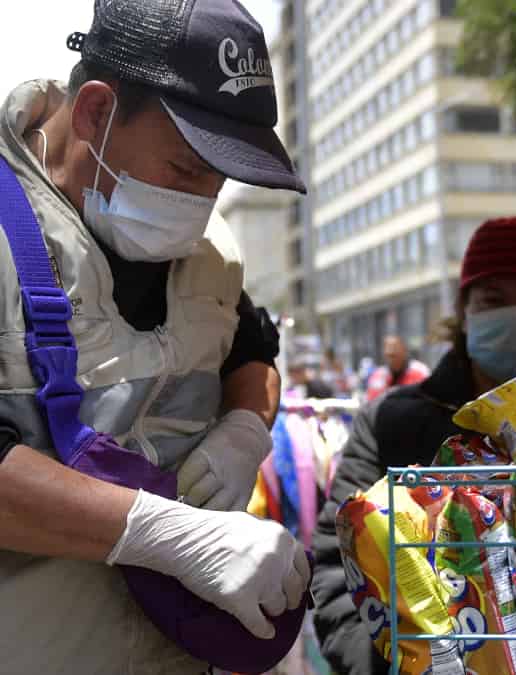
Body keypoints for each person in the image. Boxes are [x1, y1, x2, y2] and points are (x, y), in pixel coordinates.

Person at [0, 1, 310, 672]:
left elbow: (251, 352)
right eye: (187, 169)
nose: (203, 202)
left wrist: (245, 432)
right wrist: (160, 533)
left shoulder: (205, 257)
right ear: (95, 114)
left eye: (221, 177)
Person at [312, 217, 516, 674]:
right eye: (494, 301)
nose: (515, 318)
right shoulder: (391, 421)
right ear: (464, 309)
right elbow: (338, 569)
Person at [363, 335, 431, 401]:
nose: (390, 352)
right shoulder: (378, 375)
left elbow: (427, 399)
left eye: (394, 353)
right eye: (389, 355)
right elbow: (371, 402)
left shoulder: (420, 371)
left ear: (404, 350)